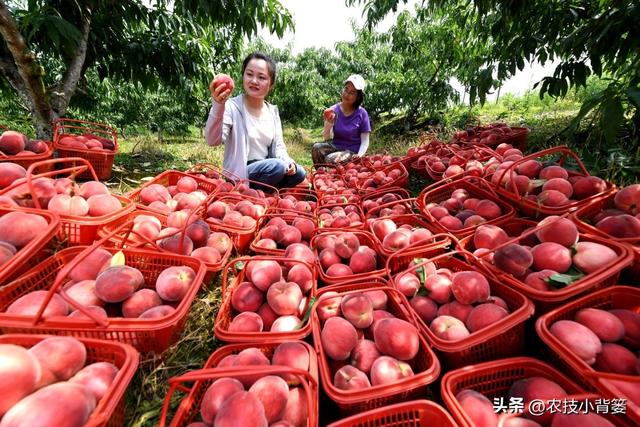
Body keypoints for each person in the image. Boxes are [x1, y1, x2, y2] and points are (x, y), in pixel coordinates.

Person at [205, 52, 306, 190]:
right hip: (241, 170)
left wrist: (288, 162)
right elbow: (212, 140)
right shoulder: (231, 107)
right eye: (249, 74)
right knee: (277, 167)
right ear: (243, 76)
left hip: (268, 166)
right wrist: (218, 105)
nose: (254, 81)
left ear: (271, 84)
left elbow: (279, 147)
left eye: (261, 77)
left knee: (299, 172)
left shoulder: (272, 111)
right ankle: (253, 192)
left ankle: (262, 191)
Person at [312, 74, 372, 165]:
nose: (346, 94)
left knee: (330, 159)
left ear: (358, 96)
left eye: (352, 92)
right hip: (336, 147)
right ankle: (322, 174)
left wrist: (359, 155)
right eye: (346, 89)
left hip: (352, 152)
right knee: (316, 148)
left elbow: (365, 141)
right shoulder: (333, 110)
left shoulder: (362, 113)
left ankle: (332, 172)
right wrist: (328, 124)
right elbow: (327, 138)